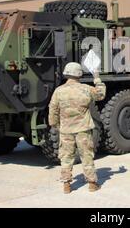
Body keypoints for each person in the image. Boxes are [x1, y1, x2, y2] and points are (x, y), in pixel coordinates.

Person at [48, 62, 106, 194]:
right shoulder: (86, 89)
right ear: (79, 74)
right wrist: (97, 78)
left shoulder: (59, 91)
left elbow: (53, 110)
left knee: (66, 157)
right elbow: (100, 95)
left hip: (66, 130)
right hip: (83, 129)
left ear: (66, 73)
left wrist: (56, 125)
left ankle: (67, 185)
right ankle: (92, 183)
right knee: (87, 155)